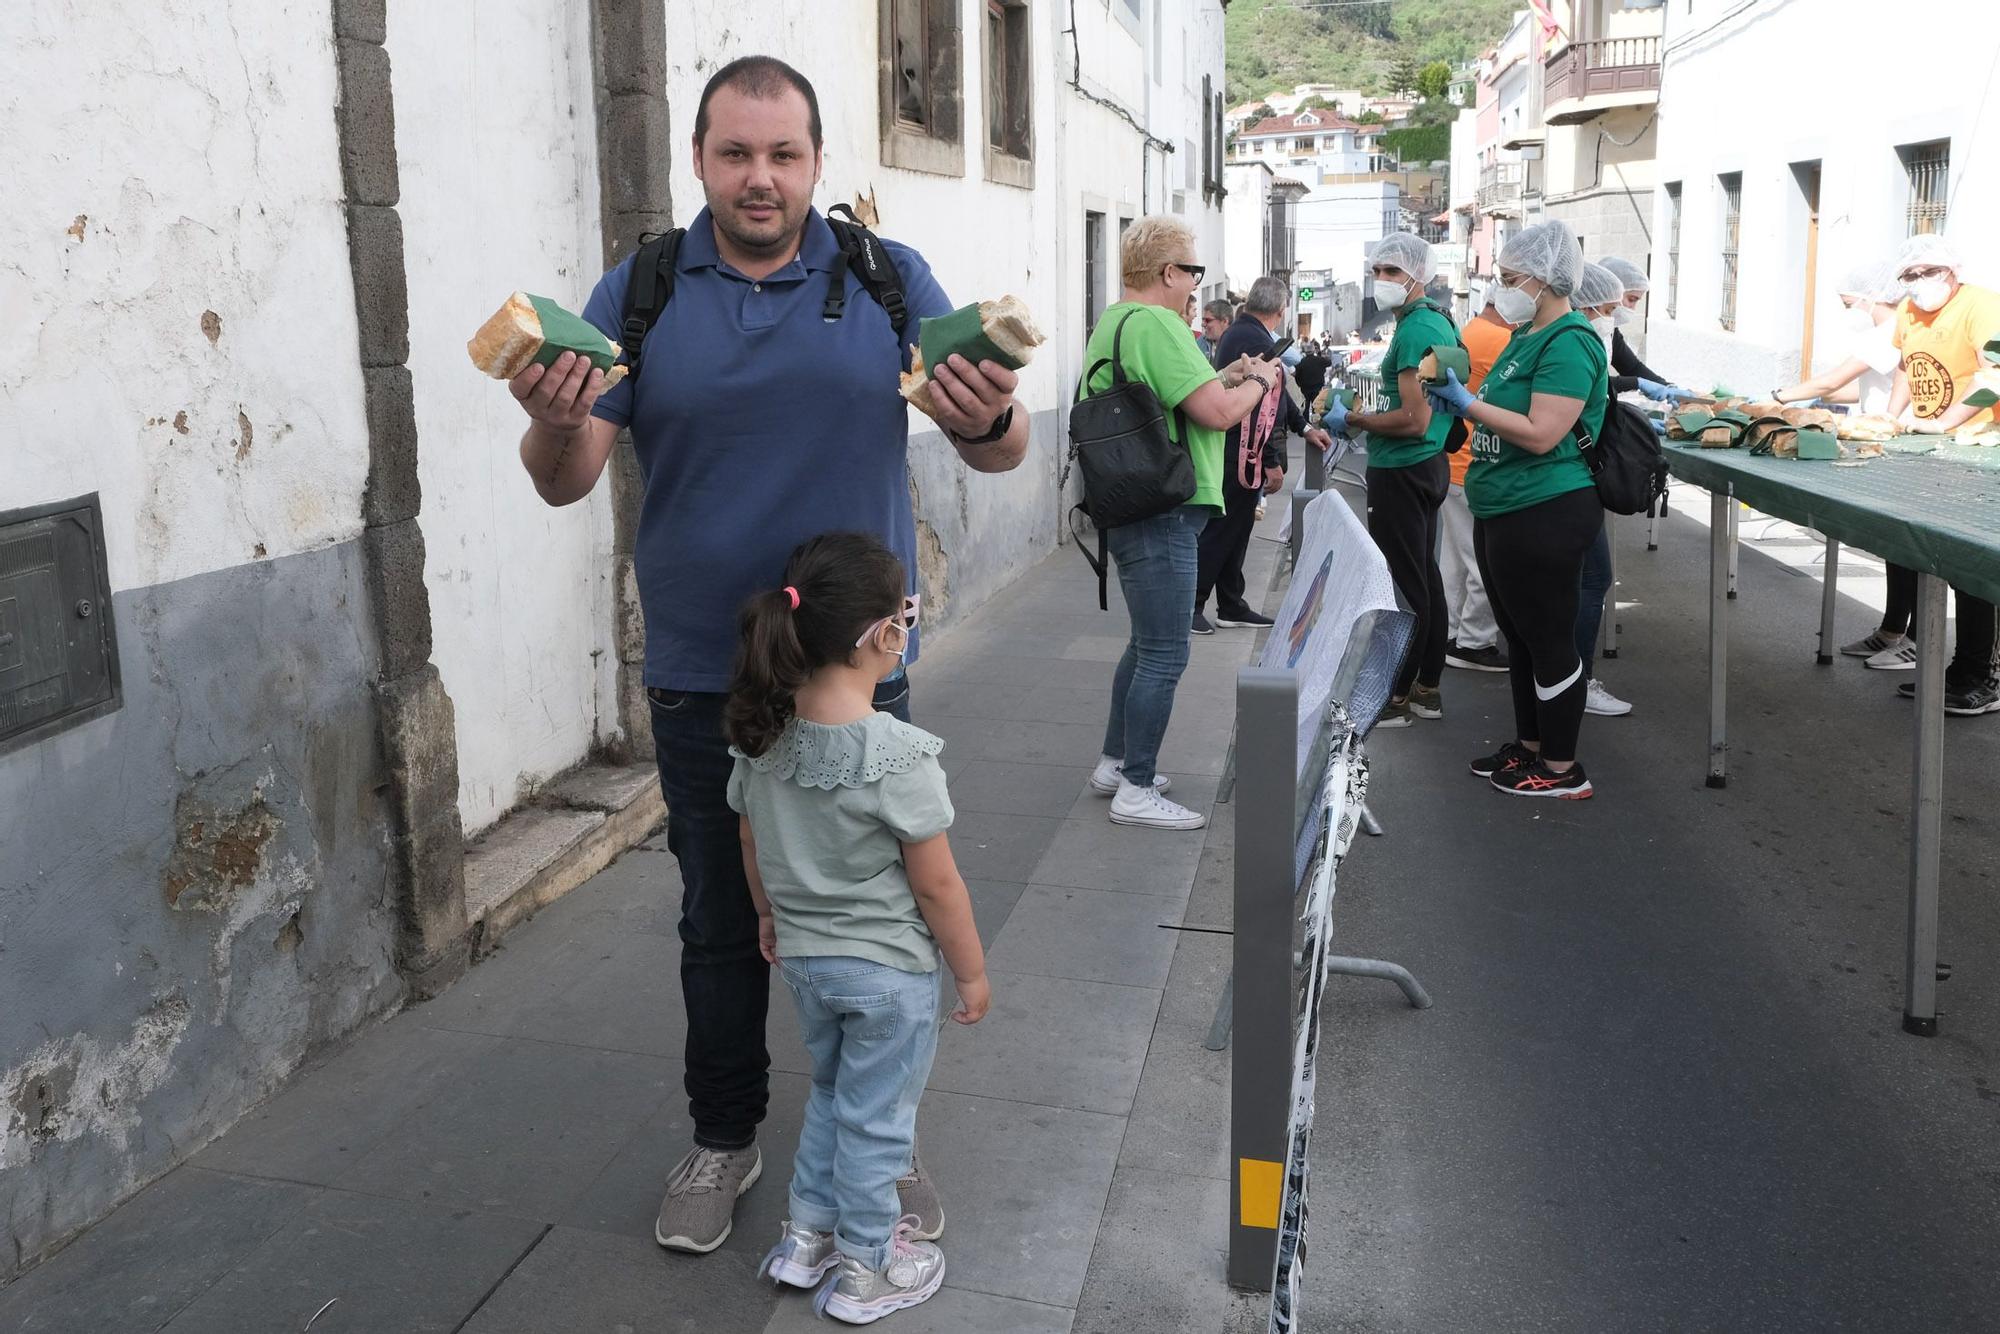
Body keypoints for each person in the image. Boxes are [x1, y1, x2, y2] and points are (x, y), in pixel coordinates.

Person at [509, 55, 1026, 1255]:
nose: (759, 178)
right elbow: (564, 479)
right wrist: (549, 421)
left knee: (887, 919)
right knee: (721, 917)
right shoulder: (637, 289)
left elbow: (993, 450)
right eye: (735, 154)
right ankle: (726, 1133)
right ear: (698, 159)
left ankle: (878, 1145)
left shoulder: (889, 280)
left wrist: (985, 417)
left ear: (814, 162)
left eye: (782, 155)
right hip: (701, 671)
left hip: (857, 667)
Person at [725, 533, 985, 1323]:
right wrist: (969, 971)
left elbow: (749, 840)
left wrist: (769, 915)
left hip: (807, 963)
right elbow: (936, 883)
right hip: (888, 977)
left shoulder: (763, 740)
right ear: (885, 636)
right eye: (906, 614)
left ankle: (805, 1239)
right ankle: (869, 1268)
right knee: (880, 1119)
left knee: (835, 1095)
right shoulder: (896, 753)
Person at [1082, 216, 1272, 830]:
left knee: (1144, 647)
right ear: (1169, 273)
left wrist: (1227, 374)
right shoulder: (1160, 324)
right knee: (1166, 653)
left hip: (1134, 503)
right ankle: (1136, 788)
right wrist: (1261, 382)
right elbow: (1216, 417)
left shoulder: (1117, 320)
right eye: (1192, 272)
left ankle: (1117, 763)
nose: (1196, 284)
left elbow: (1172, 399)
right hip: (1164, 510)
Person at [1425, 219, 1607, 797]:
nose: (1501, 289)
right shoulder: (1525, 337)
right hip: (1504, 506)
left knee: (1550, 638)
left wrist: (1470, 405)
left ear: (1549, 280)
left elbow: (1541, 432)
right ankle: (1529, 747)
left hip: (1546, 509)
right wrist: (1458, 403)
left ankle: (1560, 768)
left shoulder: (1571, 341)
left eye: (1511, 278)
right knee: (1521, 637)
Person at [1849, 234, 2000, 712]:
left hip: (1979, 447)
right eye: (1908, 276)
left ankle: (1982, 678)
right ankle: (1952, 669)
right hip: (1929, 448)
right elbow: (1903, 370)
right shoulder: (1911, 313)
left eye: (1927, 272)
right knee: (1924, 547)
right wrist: (1892, 419)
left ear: (1952, 271)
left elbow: (1993, 376)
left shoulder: (1983, 306)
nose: (1917, 283)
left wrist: (1942, 422)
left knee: (1970, 564)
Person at [1320, 232, 1454, 727]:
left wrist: (1354, 421)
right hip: (1427, 464)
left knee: (1403, 587)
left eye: (1393, 272)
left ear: (1419, 275)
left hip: (1404, 466)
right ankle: (1427, 688)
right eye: (1377, 271)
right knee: (1425, 578)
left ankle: (1396, 695)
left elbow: (1414, 419)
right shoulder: (1434, 321)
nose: (1382, 281)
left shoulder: (1417, 330)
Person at [1195, 277, 1334, 635]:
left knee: (1237, 527)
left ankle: (1231, 603)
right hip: (1240, 449)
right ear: (1280, 309)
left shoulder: (1247, 335)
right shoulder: (1252, 339)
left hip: (1240, 447)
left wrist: (1303, 428)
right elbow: (1264, 406)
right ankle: (1192, 604)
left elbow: (1278, 397)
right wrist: (1270, 460)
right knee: (1223, 528)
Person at [1566, 262, 1638, 719]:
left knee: (1577, 582)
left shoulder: (1556, 336)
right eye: (1611, 308)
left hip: (1559, 480)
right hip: (1569, 480)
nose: (1614, 317)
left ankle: (1562, 679)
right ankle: (1576, 683)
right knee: (1592, 579)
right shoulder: (1576, 341)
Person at [1441, 289, 1512, 675]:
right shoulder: (1502, 340)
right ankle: (1475, 640)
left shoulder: (1472, 329)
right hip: (1475, 462)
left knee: (1455, 562)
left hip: (1455, 461)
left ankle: (1451, 633)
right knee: (1485, 562)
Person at [1772, 260, 1903, 413]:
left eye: (1848, 304)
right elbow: (1873, 388)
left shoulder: (1885, 334)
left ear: (1873, 296)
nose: (1847, 311)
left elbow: (1832, 381)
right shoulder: (1896, 326)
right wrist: (1817, 397)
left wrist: (1778, 397)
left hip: (1887, 425)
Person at [1598, 256, 1689, 405]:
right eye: (1631, 299)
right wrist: (1636, 383)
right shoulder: (1579, 332)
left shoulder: (1609, 330)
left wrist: (1667, 386)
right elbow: (1590, 384)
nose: (1633, 308)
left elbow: (1632, 366)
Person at [1198, 298, 1234, 366]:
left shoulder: (1238, 344)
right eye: (1203, 320)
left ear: (1225, 321)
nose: (1203, 324)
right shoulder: (1200, 343)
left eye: (1208, 320)